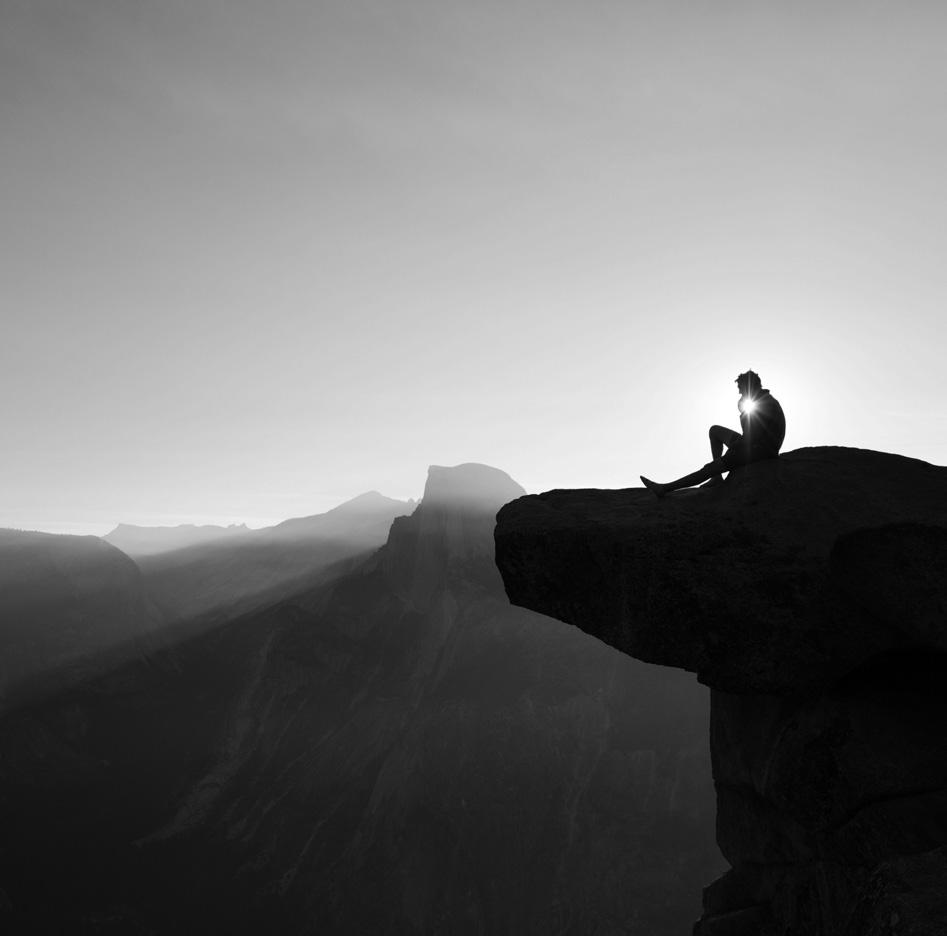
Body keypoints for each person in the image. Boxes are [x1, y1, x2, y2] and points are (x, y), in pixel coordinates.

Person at [640, 370, 785, 498]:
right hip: (754, 442)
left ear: (749, 386)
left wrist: (734, 449)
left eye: (741, 389)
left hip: (760, 450)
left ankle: (664, 488)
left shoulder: (765, 404)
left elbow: (751, 436)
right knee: (715, 430)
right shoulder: (762, 400)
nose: (740, 393)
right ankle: (717, 477)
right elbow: (750, 433)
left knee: (711, 467)